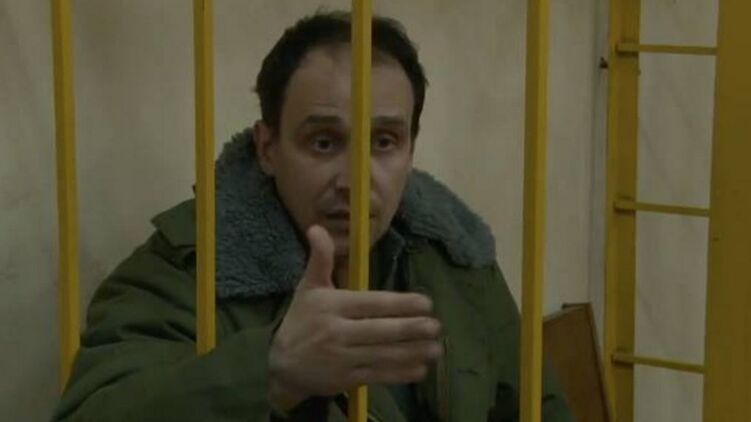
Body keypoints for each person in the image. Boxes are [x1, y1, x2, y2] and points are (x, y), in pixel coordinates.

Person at [53, 11, 573, 422]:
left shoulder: (455, 256)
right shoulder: (188, 270)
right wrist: (272, 372)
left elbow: (537, 407)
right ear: (267, 148)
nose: (355, 180)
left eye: (384, 142)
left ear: (411, 150)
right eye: (323, 142)